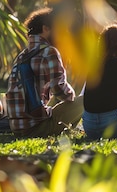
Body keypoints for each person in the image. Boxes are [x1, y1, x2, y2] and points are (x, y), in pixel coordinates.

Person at [6, 8, 84, 137]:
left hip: (18, 128)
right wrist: (73, 99)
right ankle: (67, 130)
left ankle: (67, 129)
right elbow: (59, 88)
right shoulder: (49, 51)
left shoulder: (22, 56)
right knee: (85, 100)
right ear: (46, 28)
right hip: (37, 127)